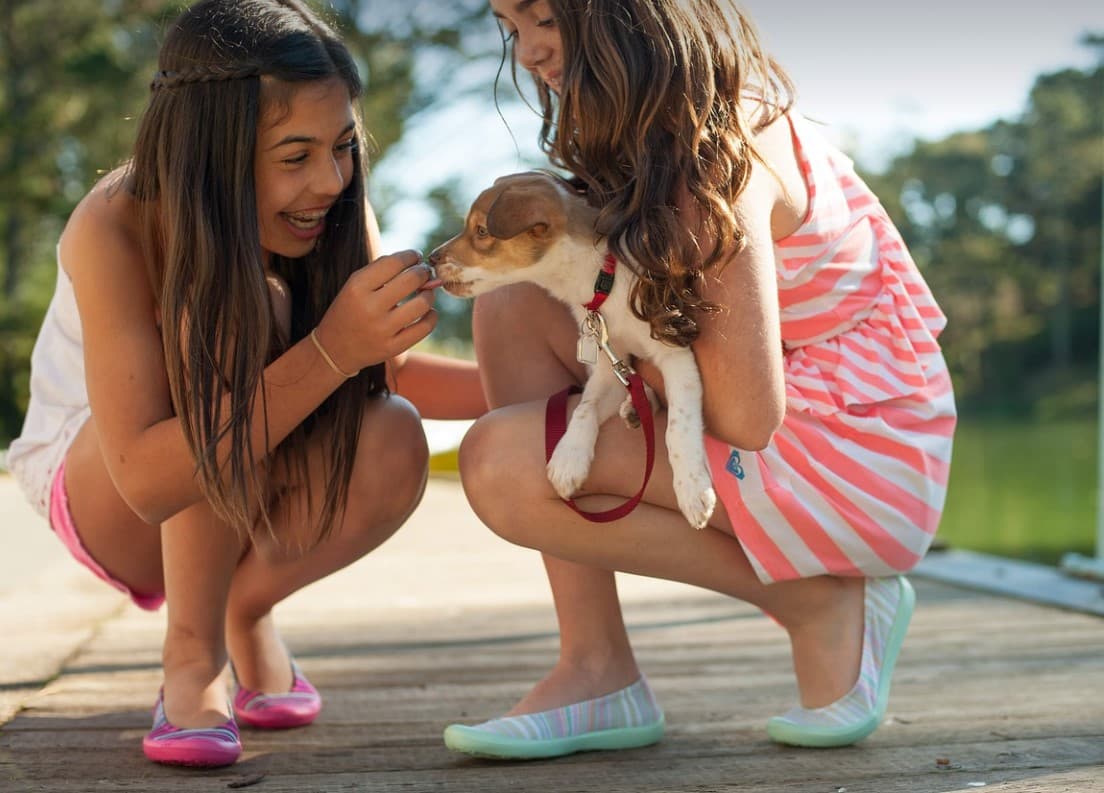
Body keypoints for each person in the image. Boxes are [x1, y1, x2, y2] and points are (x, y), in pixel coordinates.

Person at [442, 0, 956, 759]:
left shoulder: (715, 160)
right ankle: (596, 666)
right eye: (511, 29)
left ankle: (816, 598)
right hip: (834, 424)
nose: (527, 53)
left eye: (543, 19)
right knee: (516, 299)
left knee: (503, 464)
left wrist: (624, 373)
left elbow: (748, 414)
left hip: (862, 457)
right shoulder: (663, 139)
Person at [5, 0, 483, 769]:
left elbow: (382, 373)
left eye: (342, 147)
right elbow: (146, 480)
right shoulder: (115, 221)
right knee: (231, 301)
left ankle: (244, 607)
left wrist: (562, 386)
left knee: (391, 430)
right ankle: (193, 654)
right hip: (106, 489)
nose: (329, 179)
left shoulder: (333, 207)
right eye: (295, 156)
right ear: (211, 150)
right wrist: (330, 345)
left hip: (240, 474)